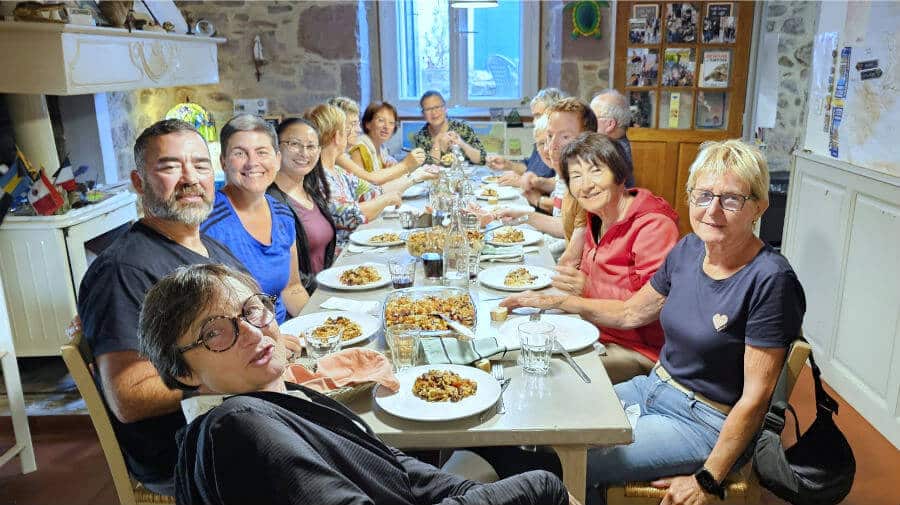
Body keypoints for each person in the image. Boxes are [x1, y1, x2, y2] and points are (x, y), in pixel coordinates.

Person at [502, 139, 806, 505]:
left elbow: (756, 398)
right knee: (548, 429)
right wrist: (554, 300)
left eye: (731, 199)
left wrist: (708, 479)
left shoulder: (770, 280)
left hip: (704, 420)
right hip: (653, 387)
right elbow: (632, 311)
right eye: (703, 195)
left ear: (759, 205)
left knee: (575, 459)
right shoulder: (690, 249)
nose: (713, 211)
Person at [138, 263, 580, 505]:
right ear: (183, 372)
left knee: (510, 461)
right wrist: (535, 489)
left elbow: (396, 469)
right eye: (216, 332)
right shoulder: (237, 428)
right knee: (539, 474)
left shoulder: (280, 393)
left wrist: (484, 493)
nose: (253, 333)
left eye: (252, 310)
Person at [76, 119, 279, 495]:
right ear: (139, 183)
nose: (190, 178)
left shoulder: (210, 249)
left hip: (239, 415)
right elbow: (129, 396)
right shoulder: (124, 270)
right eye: (169, 167)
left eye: (201, 166)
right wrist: (228, 375)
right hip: (191, 453)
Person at [538, 132, 680, 383]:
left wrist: (587, 288)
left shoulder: (653, 226)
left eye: (595, 171)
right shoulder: (597, 216)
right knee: (527, 344)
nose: (586, 184)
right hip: (595, 331)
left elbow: (650, 308)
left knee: (551, 372)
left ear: (620, 174)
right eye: (576, 176)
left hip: (639, 351)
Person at [201, 114, 309, 324]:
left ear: (277, 160)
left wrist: (317, 328)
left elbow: (292, 289)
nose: (253, 163)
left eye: (262, 152)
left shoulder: (283, 214)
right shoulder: (206, 223)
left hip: (284, 335)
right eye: (240, 153)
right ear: (223, 162)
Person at [305, 104, 404, 245]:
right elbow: (349, 215)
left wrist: (415, 177)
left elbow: (373, 192)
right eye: (347, 129)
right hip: (339, 255)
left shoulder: (338, 172)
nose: (353, 132)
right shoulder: (319, 176)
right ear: (337, 136)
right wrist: (386, 199)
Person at [267, 118, 336, 292]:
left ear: (319, 151)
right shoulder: (270, 202)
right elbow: (287, 280)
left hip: (325, 291)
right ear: (276, 148)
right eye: (294, 144)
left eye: (311, 146)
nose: (304, 153)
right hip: (304, 301)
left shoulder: (311, 192)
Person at [330, 96, 430, 191]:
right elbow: (367, 185)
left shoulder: (383, 151)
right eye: (353, 124)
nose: (358, 130)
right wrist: (406, 165)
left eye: (391, 123)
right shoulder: (348, 152)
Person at [486, 87, 566, 184]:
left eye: (538, 116)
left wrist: (524, 181)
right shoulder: (542, 139)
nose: (534, 121)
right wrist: (507, 164)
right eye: (534, 116)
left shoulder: (565, 144)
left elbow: (563, 183)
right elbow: (529, 168)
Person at [351, 100, 427, 178]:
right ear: (368, 123)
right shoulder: (359, 149)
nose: (386, 127)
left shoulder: (383, 150)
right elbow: (360, 187)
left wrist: (388, 171)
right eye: (381, 120)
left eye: (391, 123)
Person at [414, 90, 487, 165]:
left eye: (437, 107)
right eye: (428, 109)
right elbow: (426, 168)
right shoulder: (420, 136)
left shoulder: (462, 127)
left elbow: (482, 159)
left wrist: (462, 144)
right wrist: (437, 144)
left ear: (445, 108)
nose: (434, 112)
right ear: (423, 114)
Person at [590, 90, 635, 187]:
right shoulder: (613, 145)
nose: (587, 122)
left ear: (610, 124)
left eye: (592, 117)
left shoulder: (612, 154)